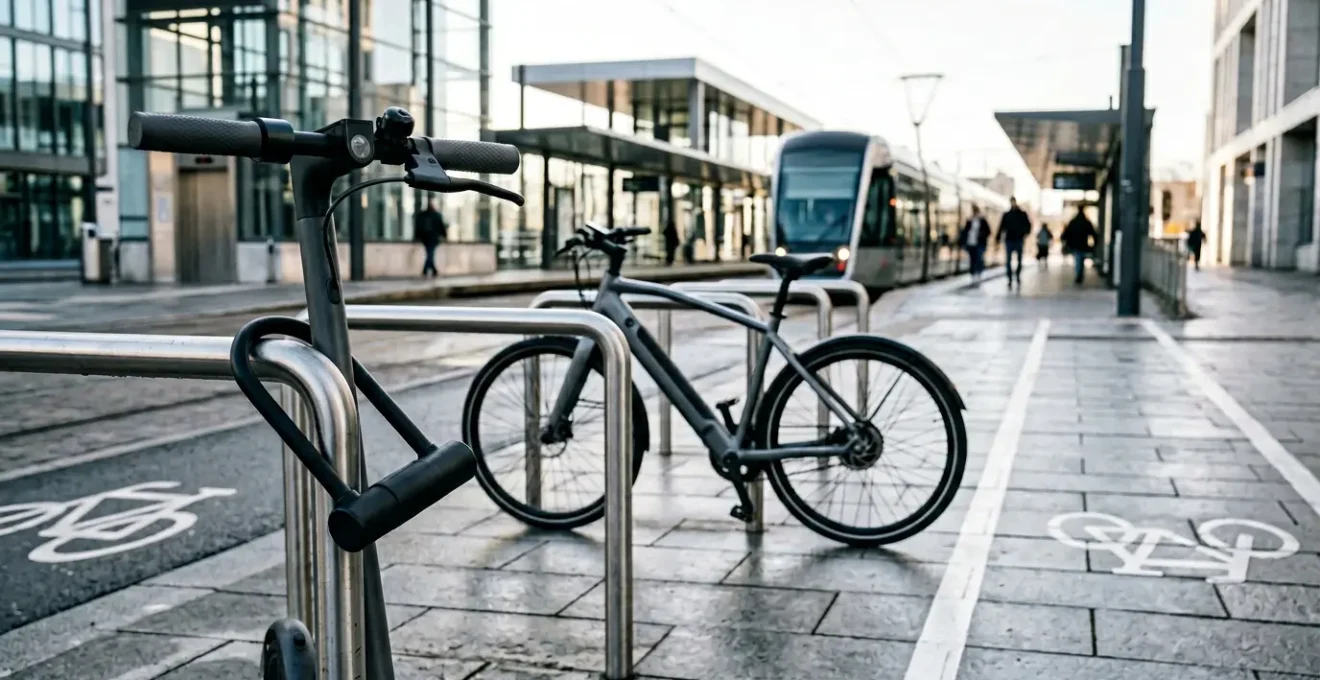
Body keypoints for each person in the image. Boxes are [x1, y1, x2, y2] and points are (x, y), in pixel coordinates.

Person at [996, 196, 1032, 288]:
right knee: (1008, 261)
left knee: (1019, 260)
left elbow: (1028, 226)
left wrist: (1024, 233)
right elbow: (1001, 227)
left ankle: (1018, 276)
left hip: (1018, 239)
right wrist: (998, 238)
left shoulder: (1022, 214)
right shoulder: (1007, 215)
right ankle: (1010, 278)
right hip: (1009, 240)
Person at [1060, 207, 1098, 285]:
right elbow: (1093, 233)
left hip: (1075, 244)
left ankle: (1079, 274)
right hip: (1083, 243)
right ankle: (1079, 274)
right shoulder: (1086, 222)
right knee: (1080, 259)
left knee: (1078, 258)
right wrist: (1095, 242)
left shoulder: (1073, 222)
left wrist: (1065, 239)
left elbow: (1066, 233)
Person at [414, 201, 447, 278]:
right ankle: (430, 270)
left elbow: (418, 227)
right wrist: (444, 235)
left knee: (429, 253)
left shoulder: (423, 215)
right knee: (430, 254)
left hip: (427, 238)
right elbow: (441, 227)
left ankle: (428, 270)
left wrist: (417, 236)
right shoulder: (436, 215)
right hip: (432, 238)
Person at [958, 205, 992, 280]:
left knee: (979, 258)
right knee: (972, 258)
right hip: (971, 242)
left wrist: (981, 234)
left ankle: (978, 272)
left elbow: (988, 231)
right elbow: (965, 231)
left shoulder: (983, 220)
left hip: (980, 243)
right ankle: (972, 273)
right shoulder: (969, 220)